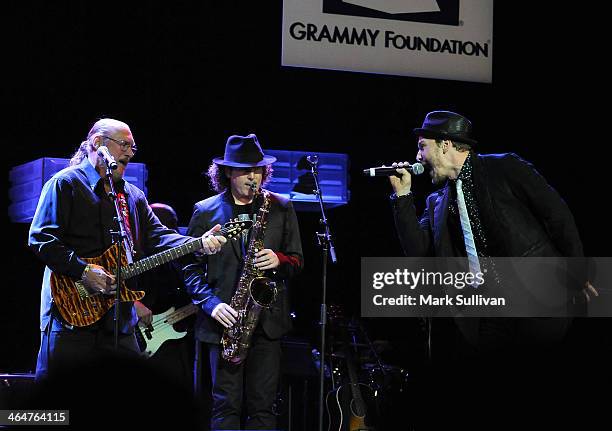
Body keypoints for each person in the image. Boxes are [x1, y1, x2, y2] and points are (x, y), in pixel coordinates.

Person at [388, 110, 597, 425]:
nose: (417, 156)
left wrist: (578, 272)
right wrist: (403, 196)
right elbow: (418, 251)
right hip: (488, 314)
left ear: (445, 145)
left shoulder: (504, 168)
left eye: (422, 146)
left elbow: (557, 216)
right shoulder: (437, 202)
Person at [28, 118, 226, 380]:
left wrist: (198, 242)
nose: (129, 153)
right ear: (97, 143)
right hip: (70, 314)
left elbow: (158, 236)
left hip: (118, 319)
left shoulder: (132, 195)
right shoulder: (65, 184)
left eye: (133, 148)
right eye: (124, 145)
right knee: (62, 403)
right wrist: (84, 271)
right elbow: (42, 239)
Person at [186, 133, 303, 430]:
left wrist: (280, 259)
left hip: (267, 323)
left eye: (258, 170)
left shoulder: (281, 206)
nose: (253, 177)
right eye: (245, 171)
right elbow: (188, 268)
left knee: (264, 409)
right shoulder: (205, 211)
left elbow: (297, 260)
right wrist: (212, 305)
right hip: (223, 323)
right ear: (227, 172)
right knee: (225, 408)